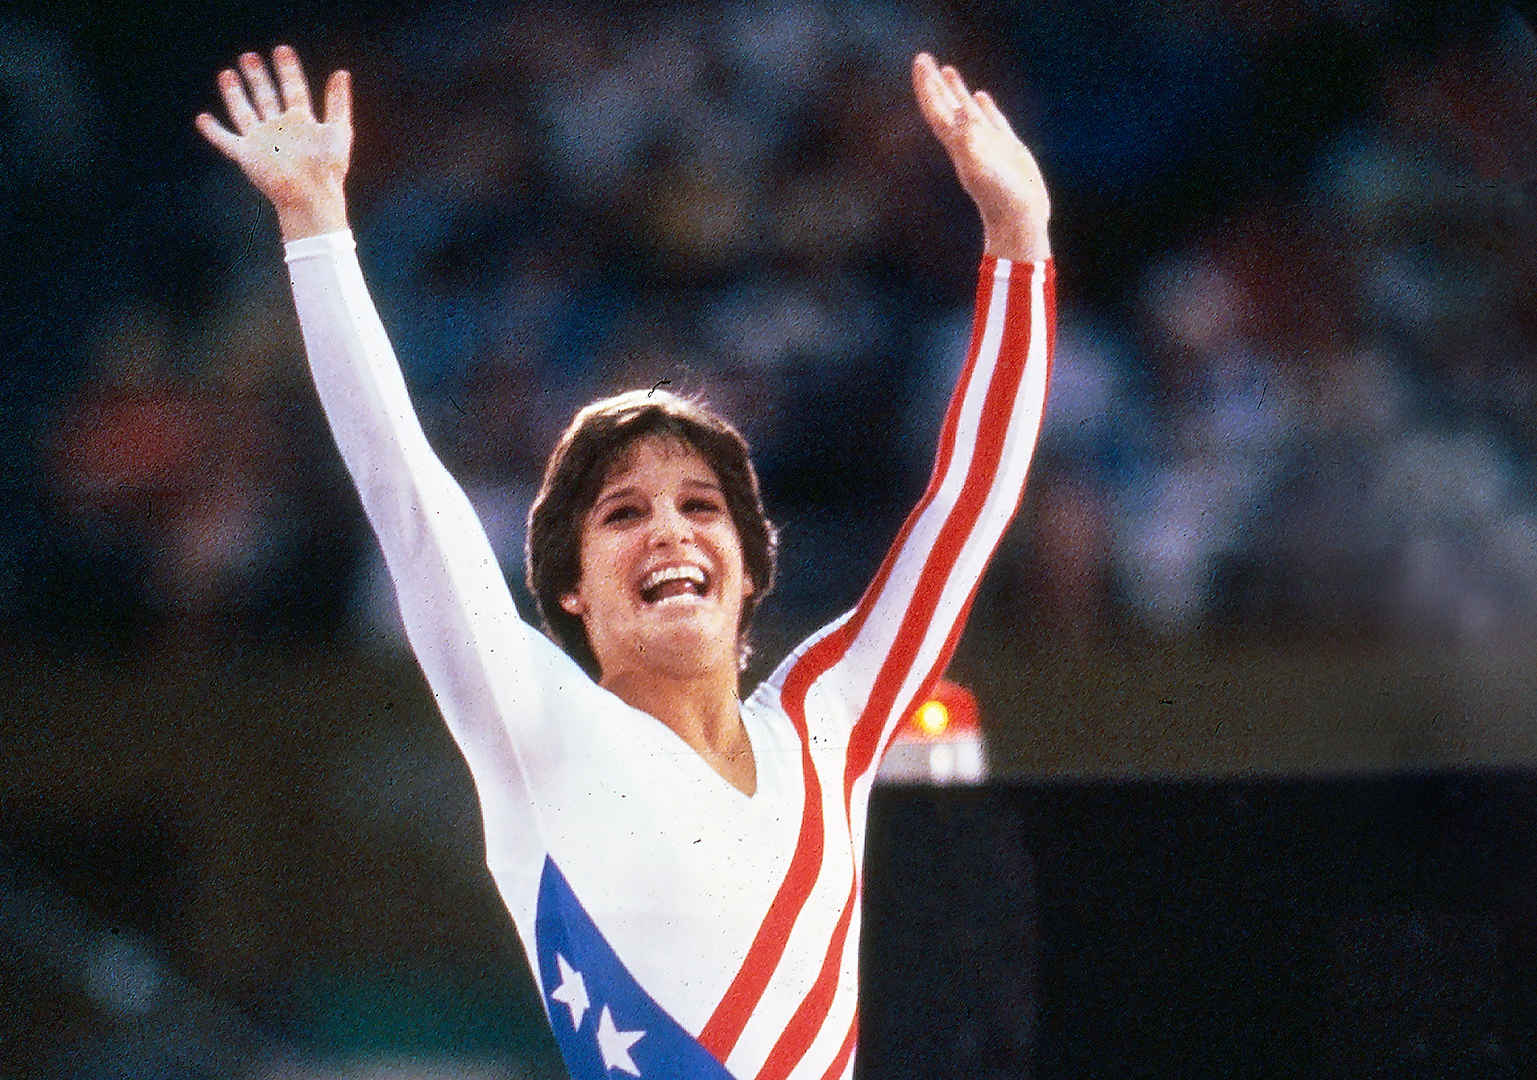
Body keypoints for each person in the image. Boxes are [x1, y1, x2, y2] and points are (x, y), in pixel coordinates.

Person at [199, 44, 1053, 1080]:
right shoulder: (542, 724)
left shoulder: (832, 717)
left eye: (701, 507)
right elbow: (405, 494)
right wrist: (316, 227)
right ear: (570, 589)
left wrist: (1018, 240)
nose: (670, 531)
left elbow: (966, 507)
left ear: (749, 567)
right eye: (623, 514)